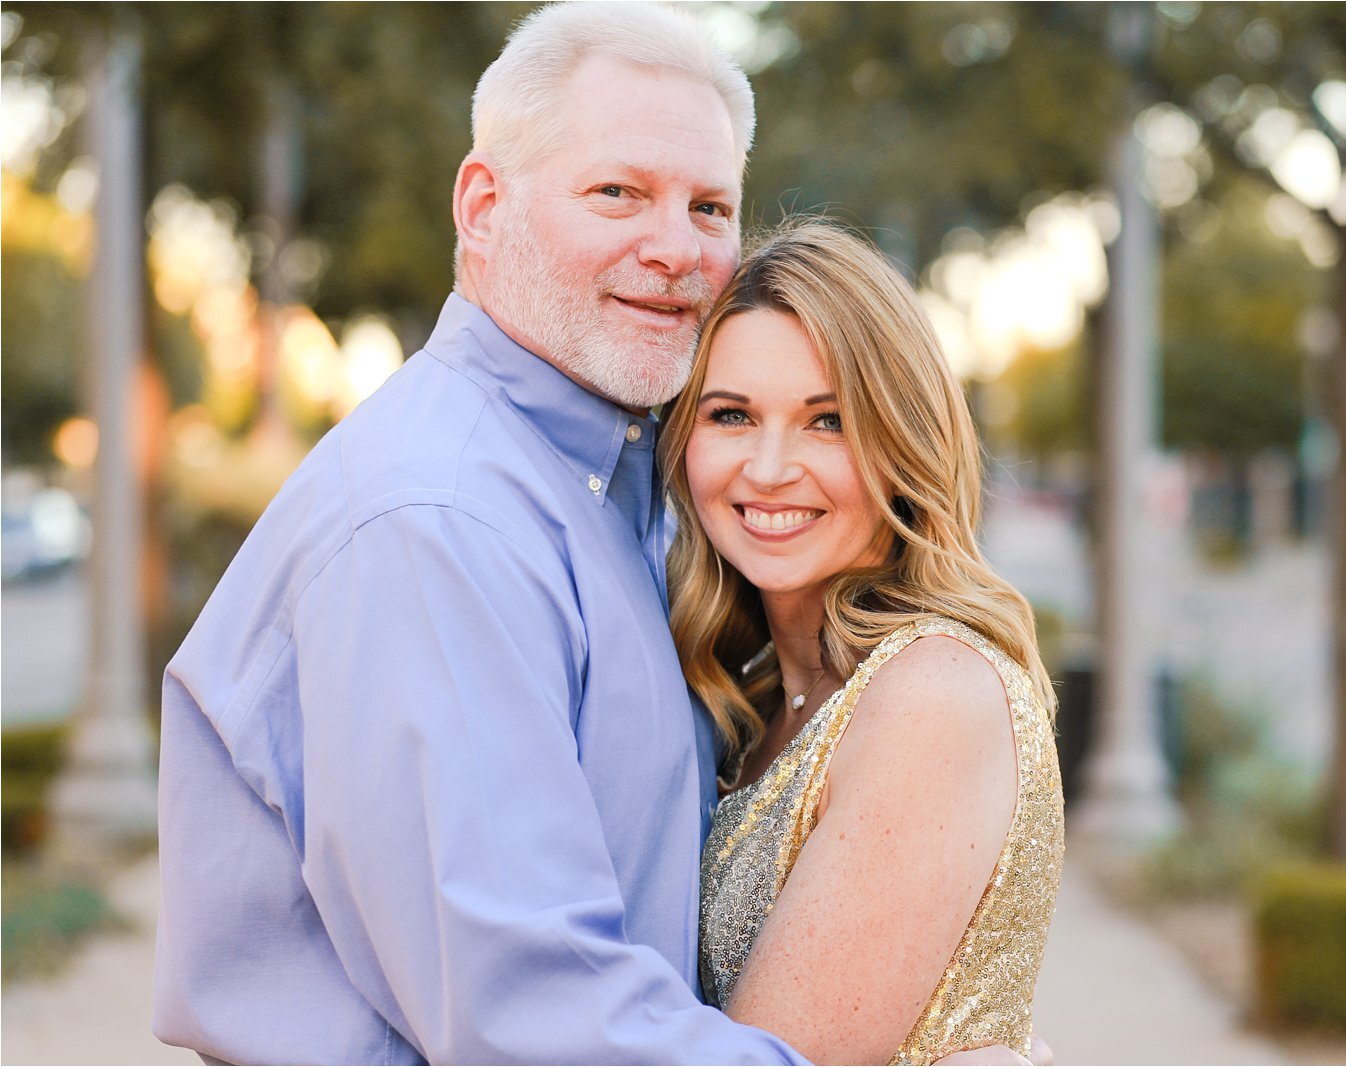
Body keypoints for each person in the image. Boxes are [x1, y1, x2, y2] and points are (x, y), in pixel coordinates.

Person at [153, 4, 811, 1062]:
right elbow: (532, 1017)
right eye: (618, 192)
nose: (676, 251)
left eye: (709, 206)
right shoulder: (437, 521)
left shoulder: (611, 492)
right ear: (482, 203)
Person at [659, 221, 1067, 1065]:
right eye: (731, 414)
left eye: (827, 421)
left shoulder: (931, 695)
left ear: (902, 440)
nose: (768, 468)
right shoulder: (767, 690)